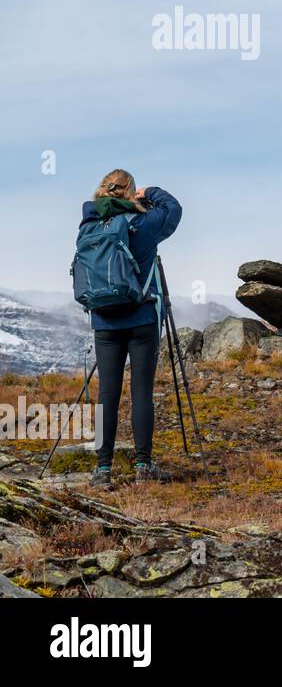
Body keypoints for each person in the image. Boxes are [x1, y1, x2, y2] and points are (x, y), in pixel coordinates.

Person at [80, 169, 182, 488]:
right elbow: (174, 209)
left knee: (107, 394)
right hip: (141, 318)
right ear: (131, 192)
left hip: (104, 319)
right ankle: (143, 465)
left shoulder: (90, 222)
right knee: (141, 393)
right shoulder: (144, 224)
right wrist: (151, 192)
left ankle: (103, 469)